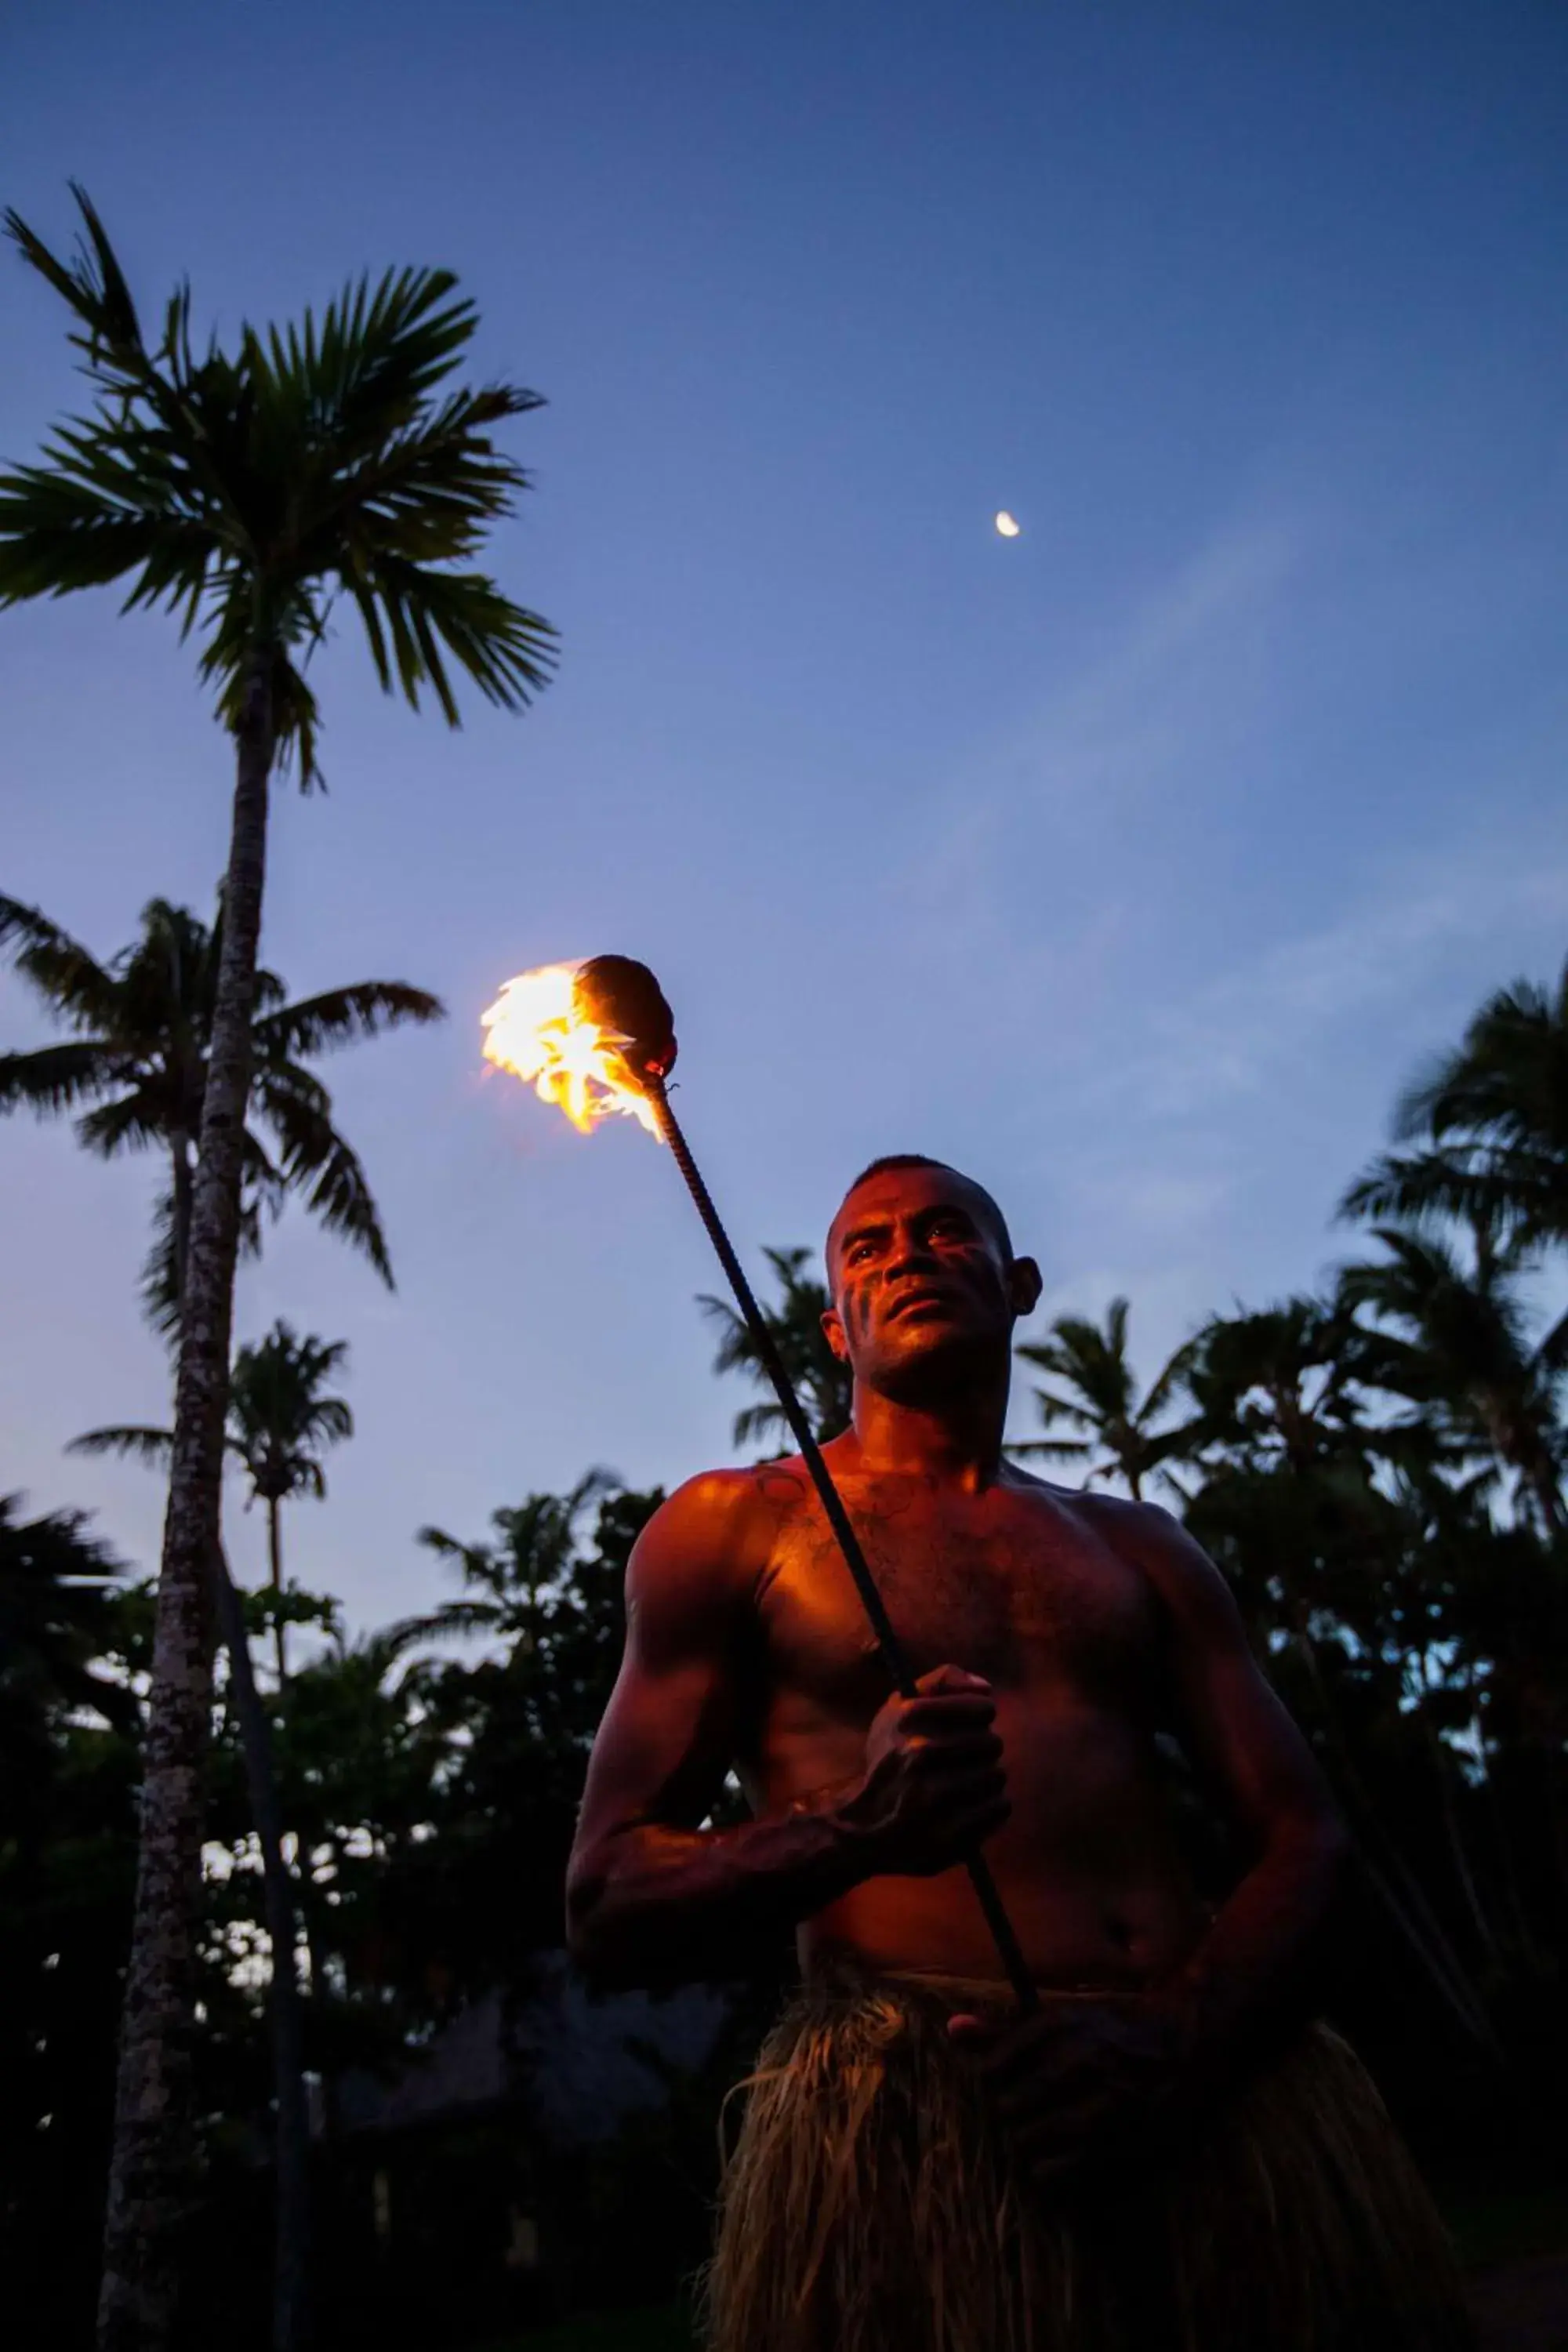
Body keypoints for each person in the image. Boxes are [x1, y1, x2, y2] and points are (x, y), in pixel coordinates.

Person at [565, 1154, 1474, 2352]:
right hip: (934, 2122)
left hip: (1218, 2098)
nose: (907, 1256)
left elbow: (1306, 1837)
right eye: (868, 1248)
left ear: (1019, 1282)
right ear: (833, 1329)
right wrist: (859, 1824)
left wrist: (1174, 2039)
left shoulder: (1138, 1548)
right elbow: (607, 1894)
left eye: (944, 1231)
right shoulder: (736, 1526)